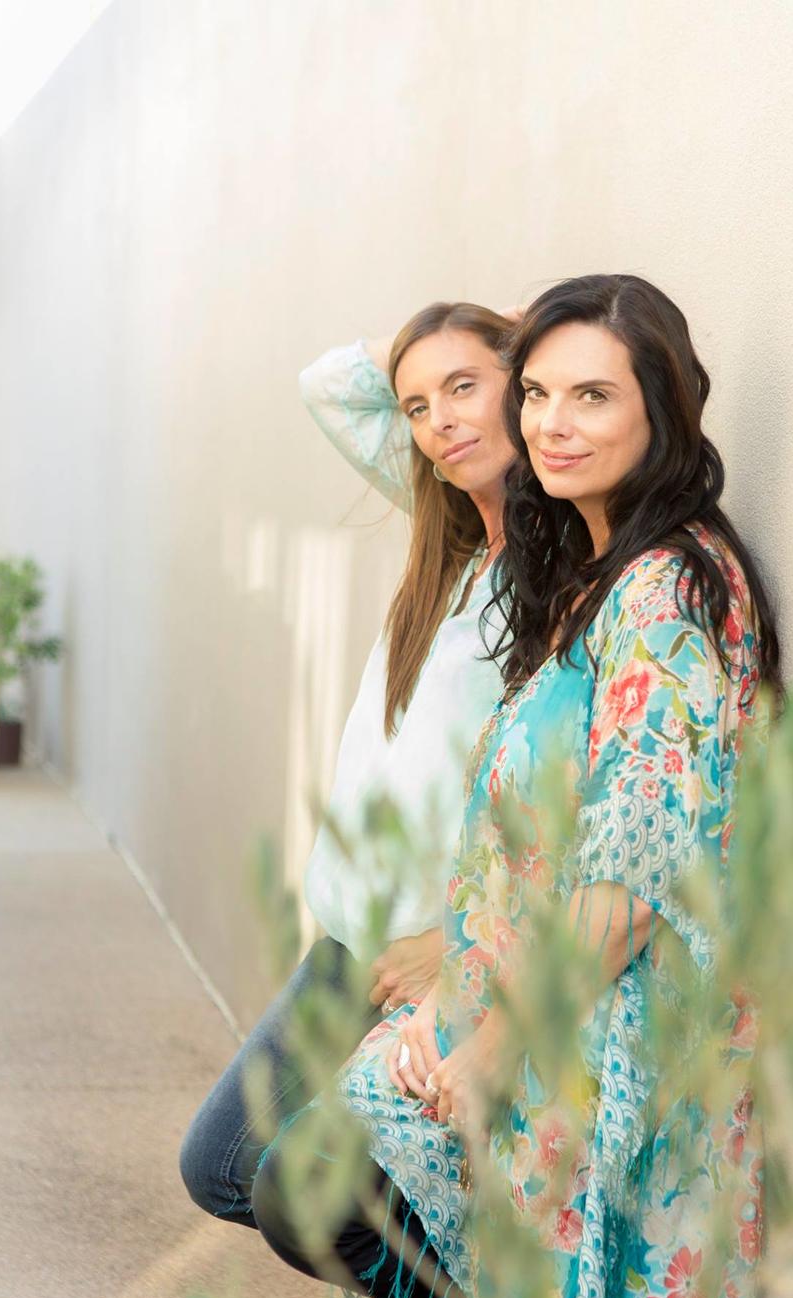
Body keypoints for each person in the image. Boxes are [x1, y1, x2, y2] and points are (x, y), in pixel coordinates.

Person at [250, 273, 782, 1298]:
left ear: (663, 407)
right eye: (536, 393)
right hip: (522, 1004)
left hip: (601, 1041)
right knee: (330, 1197)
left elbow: (633, 872)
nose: (551, 423)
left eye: (592, 395)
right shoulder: (586, 573)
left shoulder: (668, 591)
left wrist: (493, 1043)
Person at [179, 302, 519, 1243]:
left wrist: (456, 946)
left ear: (522, 386)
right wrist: (446, 354)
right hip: (350, 940)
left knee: (279, 1184)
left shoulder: (556, 578)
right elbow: (329, 385)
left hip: (429, 953)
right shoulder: (455, 545)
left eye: (465, 386)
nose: (440, 422)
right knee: (220, 1165)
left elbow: (552, 794)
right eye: (416, 406)